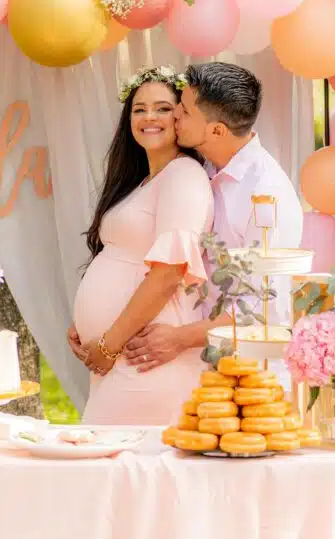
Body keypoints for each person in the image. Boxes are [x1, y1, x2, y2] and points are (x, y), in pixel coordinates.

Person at [123, 62, 304, 380]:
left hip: (252, 374)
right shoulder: (200, 167)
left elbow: (265, 309)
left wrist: (181, 338)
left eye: (186, 111)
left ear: (217, 131)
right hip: (201, 366)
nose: (175, 115)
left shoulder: (265, 196)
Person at [67, 66, 225, 426]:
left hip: (143, 357)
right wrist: (87, 324)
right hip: (118, 356)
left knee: (118, 468)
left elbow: (169, 274)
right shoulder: (143, 183)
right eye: (139, 109)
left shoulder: (183, 175)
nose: (149, 117)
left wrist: (108, 344)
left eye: (163, 108)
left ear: (181, 118)